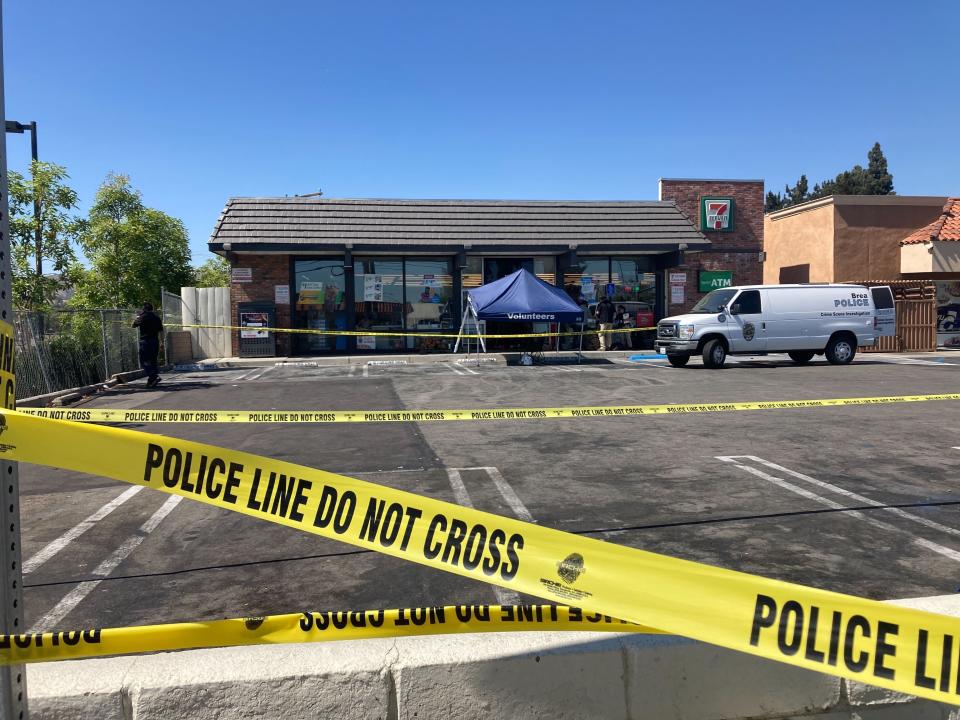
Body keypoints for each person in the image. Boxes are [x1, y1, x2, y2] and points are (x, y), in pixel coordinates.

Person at [133, 302, 164, 388]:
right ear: (152, 309)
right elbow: (161, 331)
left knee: (144, 360)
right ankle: (151, 381)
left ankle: (154, 376)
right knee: (153, 360)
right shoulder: (157, 318)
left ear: (144, 309)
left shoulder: (142, 317)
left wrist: (138, 317)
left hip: (145, 342)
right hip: (155, 341)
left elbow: (133, 325)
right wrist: (162, 342)